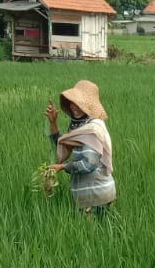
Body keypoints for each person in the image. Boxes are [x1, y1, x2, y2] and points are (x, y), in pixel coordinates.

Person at [45, 79, 115, 217]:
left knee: (92, 236)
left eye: (78, 103)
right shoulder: (80, 126)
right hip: (90, 193)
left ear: (88, 106)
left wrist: (63, 167)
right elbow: (62, 146)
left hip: (96, 196)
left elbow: (89, 164)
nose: (73, 107)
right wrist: (53, 123)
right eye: (72, 102)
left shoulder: (92, 129)